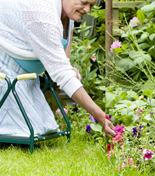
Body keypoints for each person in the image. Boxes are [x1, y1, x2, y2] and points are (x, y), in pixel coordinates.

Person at [0, 0, 116, 137]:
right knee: (20, 132)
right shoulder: (42, 14)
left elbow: (63, 61)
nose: (87, 9)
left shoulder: (67, 16)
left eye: (91, 5)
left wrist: (70, 70)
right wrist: (100, 115)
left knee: (42, 129)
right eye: (84, 2)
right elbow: (62, 74)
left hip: (24, 72)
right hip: (5, 64)